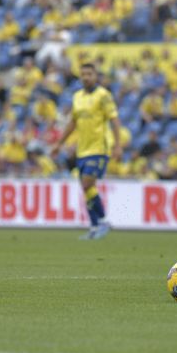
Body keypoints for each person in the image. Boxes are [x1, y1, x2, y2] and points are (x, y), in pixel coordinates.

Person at [52, 63, 122, 240]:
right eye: (83, 74)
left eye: (89, 74)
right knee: (87, 188)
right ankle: (94, 226)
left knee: (86, 183)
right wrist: (59, 143)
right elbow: (72, 123)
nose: (86, 77)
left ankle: (103, 221)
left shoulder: (103, 95)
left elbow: (114, 120)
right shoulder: (77, 97)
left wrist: (118, 145)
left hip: (99, 147)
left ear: (96, 76)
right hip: (82, 149)